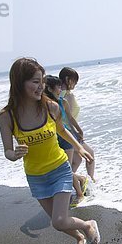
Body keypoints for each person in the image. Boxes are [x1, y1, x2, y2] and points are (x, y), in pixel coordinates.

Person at [0, 58, 100, 244]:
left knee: (59, 220)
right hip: (36, 176)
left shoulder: (50, 107)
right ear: (19, 83)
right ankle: (79, 237)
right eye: (35, 82)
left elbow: (61, 129)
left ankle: (88, 227)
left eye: (42, 81)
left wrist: (79, 147)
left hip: (59, 169)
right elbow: (7, 152)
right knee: (58, 223)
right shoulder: (7, 116)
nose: (41, 87)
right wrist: (14, 154)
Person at [43, 75, 88, 206]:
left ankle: (79, 194)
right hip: (53, 139)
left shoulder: (63, 102)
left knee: (67, 168)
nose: (60, 89)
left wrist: (79, 130)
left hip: (66, 137)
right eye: (58, 86)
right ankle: (81, 179)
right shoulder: (45, 105)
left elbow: (70, 118)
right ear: (50, 89)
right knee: (63, 168)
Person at [58, 67, 96, 182]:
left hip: (61, 132)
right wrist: (78, 132)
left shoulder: (58, 94)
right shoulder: (67, 96)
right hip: (69, 132)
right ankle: (91, 181)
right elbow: (69, 118)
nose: (75, 84)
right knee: (90, 154)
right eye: (74, 81)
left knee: (76, 160)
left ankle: (68, 183)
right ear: (68, 79)